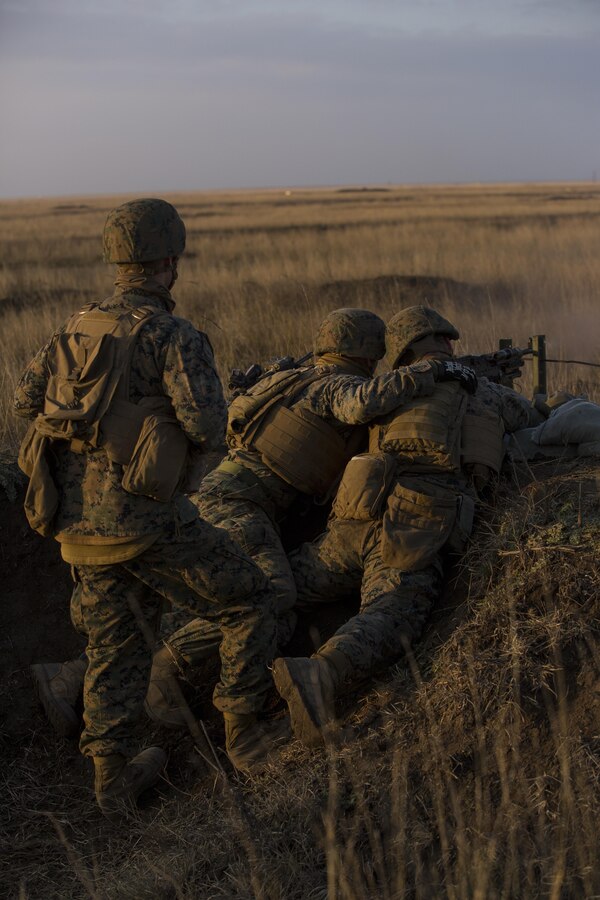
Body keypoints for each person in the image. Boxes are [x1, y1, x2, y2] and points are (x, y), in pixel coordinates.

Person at [14, 198, 282, 818]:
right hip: (146, 523)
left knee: (114, 644)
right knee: (250, 599)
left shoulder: (73, 327)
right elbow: (207, 423)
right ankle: (244, 735)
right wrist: (148, 434)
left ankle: (113, 783)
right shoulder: (172, 334)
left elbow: (28, 401)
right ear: (169, 260)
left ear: (117, 259)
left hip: (76, 528)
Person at [140, 306, 485, 727]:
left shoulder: (288, 378)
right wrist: (433, 372)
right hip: (242, 504)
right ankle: (218, 709)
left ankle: (92, 676)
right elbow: (362, 404)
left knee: (265, 594)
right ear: (363, 356)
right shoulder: (333, 385)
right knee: (269, 599)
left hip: (225, 496)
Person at [271, 306, 532, 747]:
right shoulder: (480, 391)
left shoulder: (383, 389)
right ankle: (319, 673)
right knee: (394, 615)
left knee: (282, 588)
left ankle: (182, 657)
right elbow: (529, 415)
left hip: (354, 517)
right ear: (444, 343)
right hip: (412, 525)